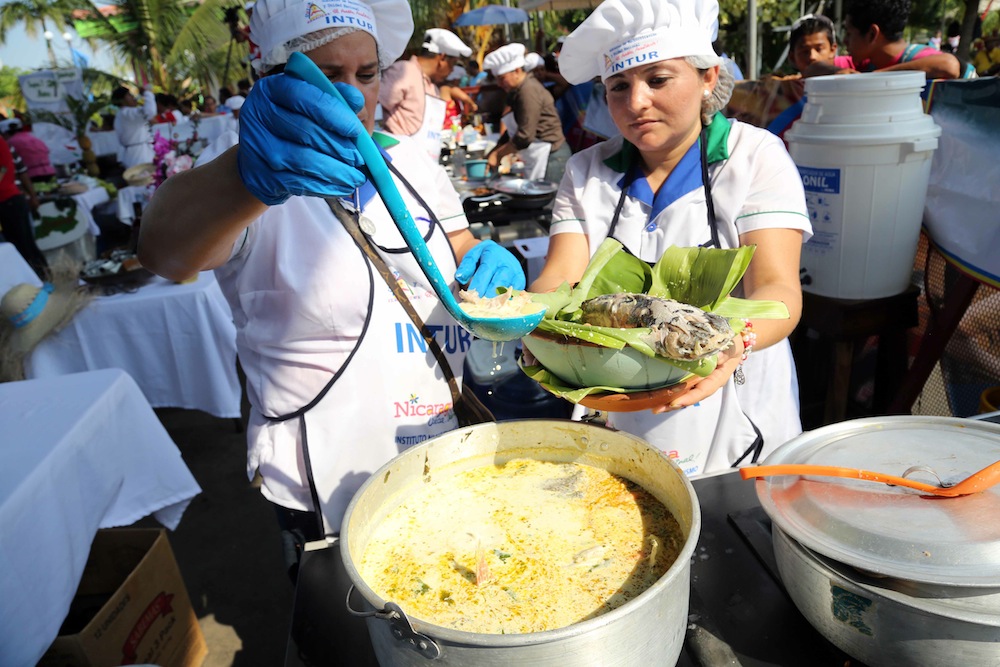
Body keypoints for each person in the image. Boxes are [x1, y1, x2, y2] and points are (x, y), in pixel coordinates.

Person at [137, 0, 526, 644]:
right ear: (272, 79)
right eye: (323, 74)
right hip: (326, 486)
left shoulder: (413, 162)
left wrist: (491, 266)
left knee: (461, 618)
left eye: (366, 72)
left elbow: (460, 258)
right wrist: (248, 179)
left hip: (440, 449)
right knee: (358, 639)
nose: (349, 95)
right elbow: (166, 250)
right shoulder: (250, 176)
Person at [530, 0, 812, 477]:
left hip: (733, 413)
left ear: (707, 77)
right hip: (616, 408)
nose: (636, 103)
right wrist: (527, 320)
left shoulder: (754, 156)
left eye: (658, 80)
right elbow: (559, 278)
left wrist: (728, 344)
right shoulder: (585, 171)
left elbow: (779, 292)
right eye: (619, 86)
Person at [805, 0, 963, 79]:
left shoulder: (921, 58)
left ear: (872, 34)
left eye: (849, 34)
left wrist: (873, 78)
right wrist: (838, 72)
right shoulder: (863, 63)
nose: (845, 41)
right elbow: (812, 69)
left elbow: (949, 65)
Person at [482, 43, 571, 184]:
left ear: (517, 71)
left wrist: (498, 155)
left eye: (501, 78)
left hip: (552, 156)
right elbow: (513, 130)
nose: (499, 84)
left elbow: (525, 135)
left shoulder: (528, 91)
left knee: (549, 203)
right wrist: (494, 150)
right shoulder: (516, 92)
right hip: (538, 155)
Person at [378, 28, 472, 158]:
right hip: (402, 157)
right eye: (452, 64)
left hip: (428, 160)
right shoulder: (403, 71)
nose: (452, 71)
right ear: (442, 58)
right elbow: (376, 107)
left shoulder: (432, 86)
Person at [765, 14, 840, 141]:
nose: (812, 56)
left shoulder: (849, 84)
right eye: (805, 51)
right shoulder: (780, 91)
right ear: (792, 57)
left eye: (819, 49)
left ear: (833, 50)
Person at [0, 135, 48, 278]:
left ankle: (42, 281)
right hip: (8, 200)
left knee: (24, 246)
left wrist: (32, 195)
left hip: (9, 200)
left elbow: (4, 168)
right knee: (16, 247)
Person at [111, 84, 157, 168]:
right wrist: (147, 93)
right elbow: (150, 112)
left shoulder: (123, 114)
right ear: (122, 100)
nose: (132, 97)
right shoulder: (127, 113)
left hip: (137, 153)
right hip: (139, 156)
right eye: (129, 95)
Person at [1, 117, 56, 183]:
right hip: (50, 172)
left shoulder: (10, 143)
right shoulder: (33, 138)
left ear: (5, 133)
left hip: (31, 177)